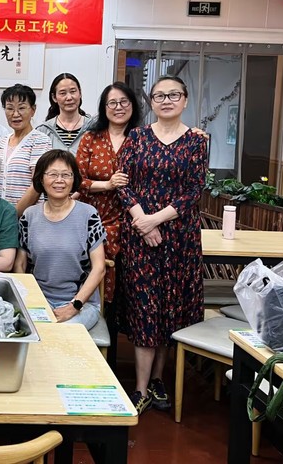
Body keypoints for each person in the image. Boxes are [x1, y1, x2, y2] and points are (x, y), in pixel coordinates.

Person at [117, 75, 207, 415]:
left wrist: (156, 219)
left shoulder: (196, 141)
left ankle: (158, 380)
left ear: (185, 100)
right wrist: (143, 221)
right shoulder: (137, 137)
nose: (166, 100)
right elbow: (123, 183)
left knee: (170, 308)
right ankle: (140, 388)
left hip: (179, 237)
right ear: (151, 101)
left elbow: (194, 190)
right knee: (145, 308)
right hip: (140, 236)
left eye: (174, 95)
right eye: (159, 95)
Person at [15, 149, 106, 332]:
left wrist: (74, 306)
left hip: (81, 303)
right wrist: (32, 301)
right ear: (41, 179)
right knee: (24, 329)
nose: (59, 180)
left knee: (59, 332)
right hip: (39, 300)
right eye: (52, 174)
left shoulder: (89, 215)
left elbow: (99, 268)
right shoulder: (29, 216)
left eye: (66, 175)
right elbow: (20, 265)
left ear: (74, 180)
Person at [76, 82, 142, 306]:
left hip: (133, 221)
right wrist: (107, 185)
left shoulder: (143, 139)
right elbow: (77, 180)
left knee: (130, 282)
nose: (118, 107)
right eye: (112, 103)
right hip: (93, 219)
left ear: (133, 105)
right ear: (104, 108)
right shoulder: (90, 138)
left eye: (124, 102)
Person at [0, 84, 52, 216]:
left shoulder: (40, 140)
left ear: (33, 110)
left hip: (27, 217)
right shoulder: (2, 141)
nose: (15, 114)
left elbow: (37, 185)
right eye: (10, 108)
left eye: (21, 108)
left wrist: (12, 216)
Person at [36, 73, 93, 154]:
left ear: (80, 93)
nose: (69, 98)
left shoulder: (93, 128)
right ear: (54, 97)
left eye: (73, 91)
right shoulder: (43, 131)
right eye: (63, 93)